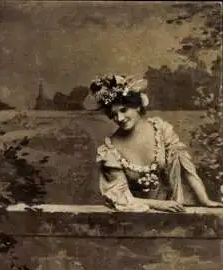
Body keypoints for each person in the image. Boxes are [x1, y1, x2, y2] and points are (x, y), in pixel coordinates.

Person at [90, 74, 223, 212]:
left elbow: (186, 168)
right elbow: (121, 197)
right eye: (114, 115)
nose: (120, 118)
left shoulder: (161, 130)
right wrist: (160, 205)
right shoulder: (109, 149)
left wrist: (205, 200)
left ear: (136, 106)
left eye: (123, 110)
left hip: (174, 209)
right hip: (136, 215)